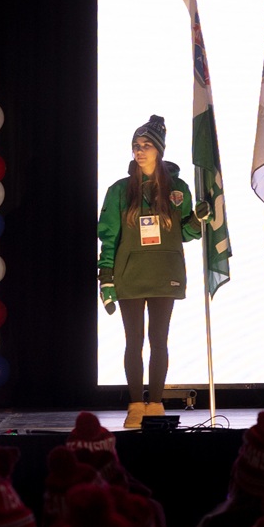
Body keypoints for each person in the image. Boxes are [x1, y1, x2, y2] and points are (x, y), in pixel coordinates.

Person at [97, 115, 207, 429]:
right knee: (134, 341)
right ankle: (135, 406)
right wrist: (106, 277)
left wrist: (198, 220)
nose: (140, 151)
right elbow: (109, 236)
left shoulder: (178, 188)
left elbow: (185, 234)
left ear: (159, 150)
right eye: (136, 146)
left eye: (146, 145)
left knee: (159, 340)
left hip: (164, 272)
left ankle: (155, 404)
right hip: (130, 273)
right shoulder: (120, 190)